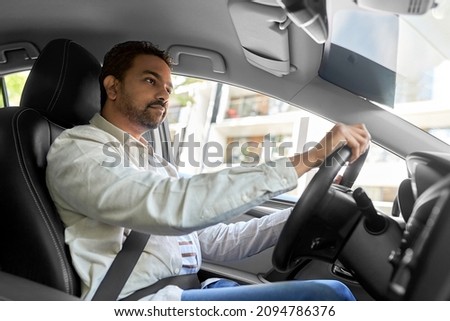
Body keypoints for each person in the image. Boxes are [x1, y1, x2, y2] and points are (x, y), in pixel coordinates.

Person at [45, 41, 371, 301]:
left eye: (169, 89)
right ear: (113, 87)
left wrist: (309, 211)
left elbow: (215, 242)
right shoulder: (78, 149)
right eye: (150, 80)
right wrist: (309, 157)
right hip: (144, 303)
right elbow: (174, 207)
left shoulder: (153, 162)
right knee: (329, 296)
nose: (163, 94)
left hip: (190, 289)